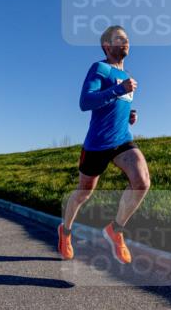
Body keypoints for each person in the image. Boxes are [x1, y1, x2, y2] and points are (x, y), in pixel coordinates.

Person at [58, 25, 151, 263]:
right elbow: (85, 101)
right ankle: (65, 231)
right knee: (83, 193)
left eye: (127, 38)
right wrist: (119, 89)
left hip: (122, 139)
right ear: (107, 46)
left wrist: (131, 114)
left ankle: (116, 230)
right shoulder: (99, 68)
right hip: (97, 144)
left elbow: (116, 106)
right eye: (120, 38)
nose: (126, 41)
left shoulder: (127, 76)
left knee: (142, 181)